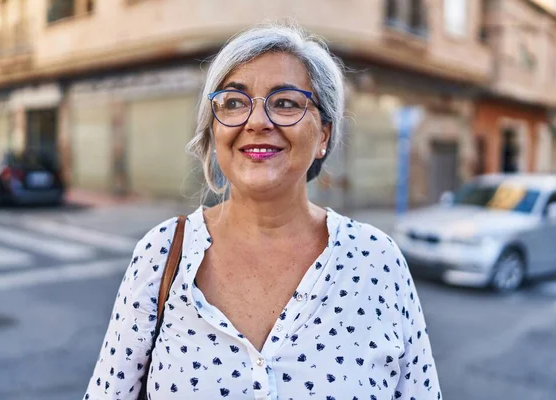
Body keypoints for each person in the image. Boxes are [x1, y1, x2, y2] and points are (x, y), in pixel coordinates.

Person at [84, 22, 441, 400]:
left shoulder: (378, 261)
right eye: (235, 102)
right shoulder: (160, 254)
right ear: (214, 130)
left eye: (285, 102)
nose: (256, 122)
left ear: (323, 135)